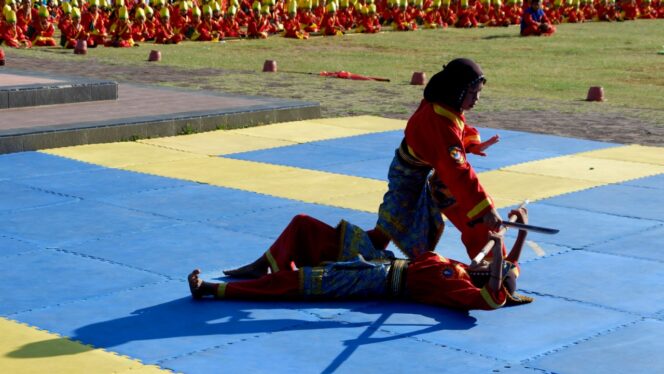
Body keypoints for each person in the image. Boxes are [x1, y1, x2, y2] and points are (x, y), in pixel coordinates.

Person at [188, 208, 532, 310]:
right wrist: (520, 231)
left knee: (297, 284)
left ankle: (213, 290)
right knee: (304, 225)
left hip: (375, 280)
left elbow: (493, 297)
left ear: (487, 276)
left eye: (490, 266)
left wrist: (499, 252)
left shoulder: (460, 288)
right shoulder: (460, 267)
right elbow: (508, 267)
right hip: (379, 258)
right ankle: (264, 263)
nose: (485, 260)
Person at [374, 58, 501, 264]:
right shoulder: (438, 119)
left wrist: (469, 144)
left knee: (472, 214)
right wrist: (486, 209)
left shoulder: (446, 106)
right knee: (389, 228)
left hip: (434, 171)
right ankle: (346, 251)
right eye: (472, 93)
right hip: (407, 174)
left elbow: (454, 137)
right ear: (457, 90)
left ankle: (489, 262)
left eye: (479, 92)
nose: (477, 98)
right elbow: (458, 171)